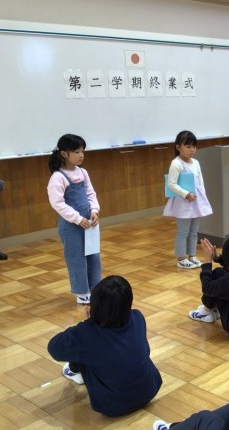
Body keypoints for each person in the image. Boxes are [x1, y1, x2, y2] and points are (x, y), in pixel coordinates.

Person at [47, 275, 162, 417]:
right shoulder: (138, 316)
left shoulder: (86, 333)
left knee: (80, 347)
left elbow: (54, 348)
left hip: (112, 405)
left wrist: (89, 322)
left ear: (95, 304)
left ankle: (74, 371)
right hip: (150, 390)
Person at [47, 134, 102, 304]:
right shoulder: (58, 177)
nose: (81, 155)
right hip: (71, 225)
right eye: (77, 152)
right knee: (76, 258)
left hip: (89, 222)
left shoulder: (83, 172)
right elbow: (57, 203)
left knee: (93, 256)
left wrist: (94, 210)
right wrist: (77, 219)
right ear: (64, 154)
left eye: (82, 151)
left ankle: (95, 288)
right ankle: (82, 293)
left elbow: (91, 193)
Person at [163, 130, 213, 269]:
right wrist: (185, 194)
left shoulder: (196, 162)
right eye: (188, 146)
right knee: (183, 232)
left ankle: (192, 256)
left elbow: (200, 181)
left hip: (196, 201)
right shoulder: (176, 163)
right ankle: (181, 258)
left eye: (194, 146)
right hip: (183, 202)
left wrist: (202, 196)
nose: (192, 150)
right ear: (178, 147)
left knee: (194, 231)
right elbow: (171, 184)